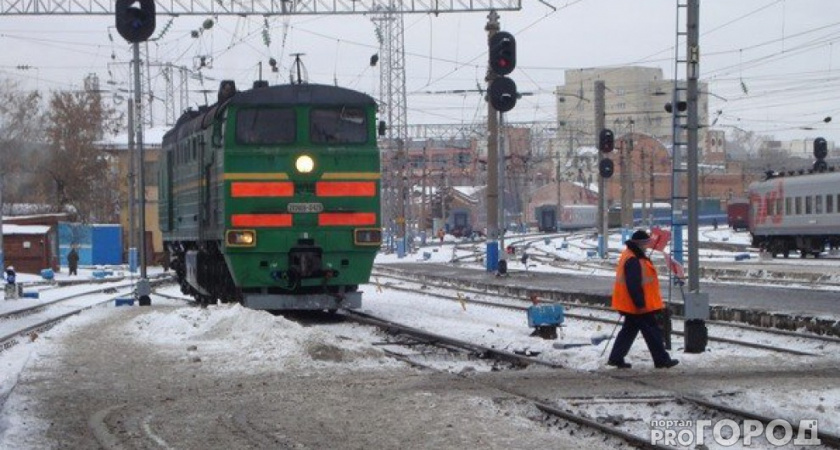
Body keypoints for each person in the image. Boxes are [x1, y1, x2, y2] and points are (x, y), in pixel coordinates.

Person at [607, 230, 679, 369]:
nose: (647, 246)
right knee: (652, 332)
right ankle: (662, 360)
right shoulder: (633, 260)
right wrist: (640, 303)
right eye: (646, 243)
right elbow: (633, 284)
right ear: (640, 244)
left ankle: (615, 358)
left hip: (631, 304)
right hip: (638, 305)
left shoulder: (631, 255)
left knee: (628, 331)